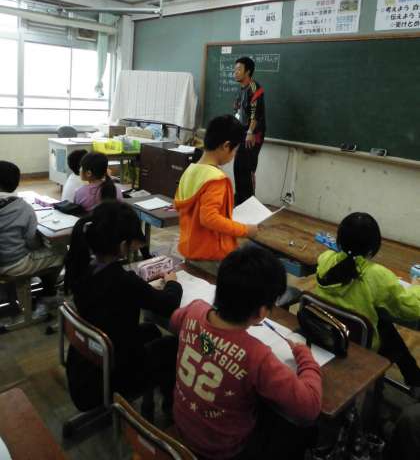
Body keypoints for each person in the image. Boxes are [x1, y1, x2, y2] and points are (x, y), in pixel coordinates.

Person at [170, 245, 322, 460]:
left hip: (183, 427)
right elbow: (310, 406)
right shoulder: (257, 356)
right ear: (261, 312)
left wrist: (208, 346)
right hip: (223, 451)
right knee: (297, 429)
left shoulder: (195, 310)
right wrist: (305, 355)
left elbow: (175, 322)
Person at [64, 201, 183, 413]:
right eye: (133, 244)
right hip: (110, 378)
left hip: (85, 364)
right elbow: (168, 304)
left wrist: (141, 287)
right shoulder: (123, 281)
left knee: (151, 330)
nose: (136, 248)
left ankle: (151, 396)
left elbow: (122, 294)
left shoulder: (80, 266)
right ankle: (170, 408)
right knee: (173, 345)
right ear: (121, 246)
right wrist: (172, 282)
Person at [315, 212, 420, 391]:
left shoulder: (325, 259)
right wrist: (416, 286)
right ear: (372, 249)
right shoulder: (378, 275)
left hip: (325, 333)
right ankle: (413, 381)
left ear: (339, 241)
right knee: (388, 333)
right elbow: (413, 309)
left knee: (385, 327)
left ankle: (414, 379)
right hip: (359, 346)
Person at [174, 115, 258, 275]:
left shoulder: (189, 171)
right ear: (226, 146)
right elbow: (209, 218)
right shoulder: (216, 179)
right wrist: (245, 230)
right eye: (235, 150)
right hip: (211, 256)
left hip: (191, 250)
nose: (234, 155)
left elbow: (178, 206)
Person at [0, 161, 64, 304]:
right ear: (16, 183)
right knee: (61, 252)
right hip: (13, 264)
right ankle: (48, 291)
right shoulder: (23, 207)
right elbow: (31, 241)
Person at [233, 57, 266, 205]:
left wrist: (250, 132)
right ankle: (239, 202)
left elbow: (255, 113)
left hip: (252, 135)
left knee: (247, 170)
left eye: (239, 69)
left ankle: (249, 204)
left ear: (248, 71)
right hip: (242, 134)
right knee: (238, 167)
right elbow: (237, 113)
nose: (235, 72)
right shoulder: (241, 90)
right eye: (235, 69)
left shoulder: (254, 87)